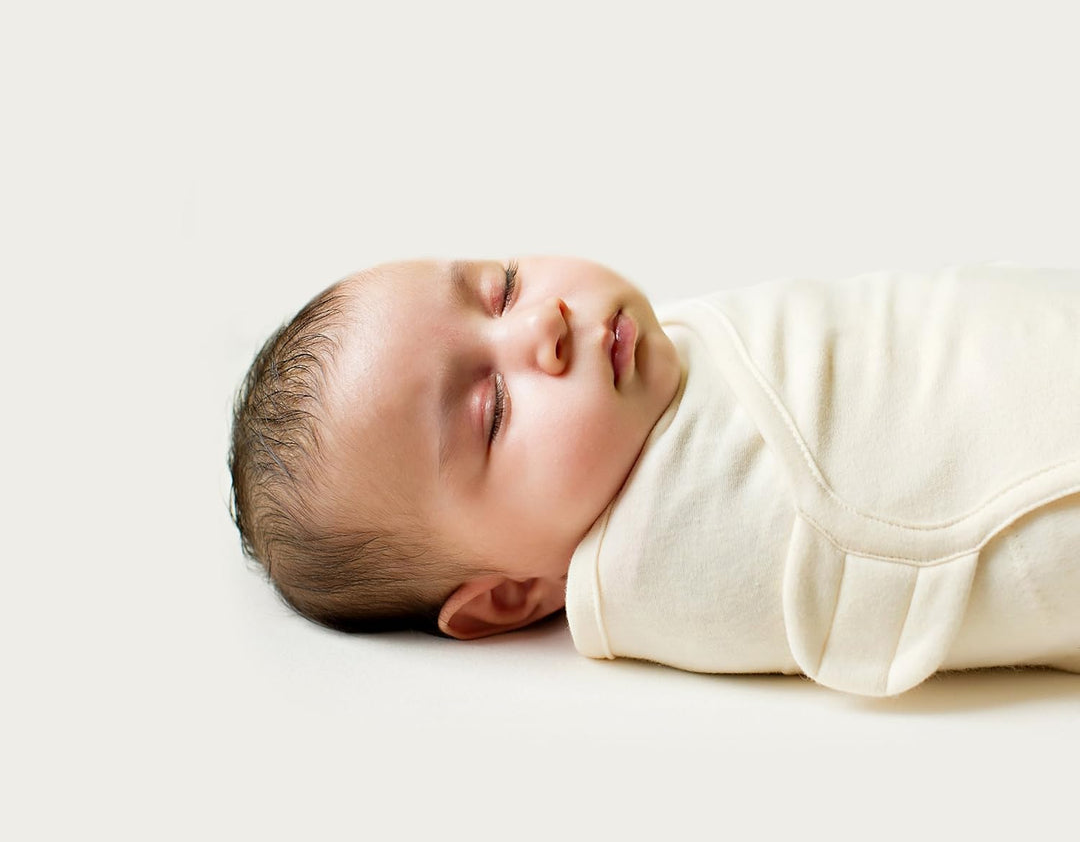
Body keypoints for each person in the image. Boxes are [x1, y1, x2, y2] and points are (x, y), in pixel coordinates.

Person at [229, 257, 1080, 697]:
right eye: (493, 410)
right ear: (509, 596)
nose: (543, 323)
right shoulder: (670, 551)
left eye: (502, 287)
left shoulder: (646, 363)